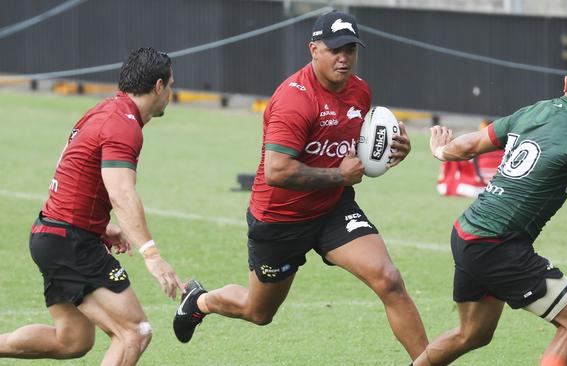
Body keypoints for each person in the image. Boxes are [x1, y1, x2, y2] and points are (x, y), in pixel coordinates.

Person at [173, 10, 428, 360]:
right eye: (335, 49)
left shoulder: (360, 92)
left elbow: (360, 146)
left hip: (331, 209)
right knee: (258, 312)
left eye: (351, 49)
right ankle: (200, 300)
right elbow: (277, 171)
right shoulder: (295, 100)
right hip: (280, 219)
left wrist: (393, 149)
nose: (344, 58)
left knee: (389, 280)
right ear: (314, 49)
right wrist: (339, 175)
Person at [415, 54, 567, 366]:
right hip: (497, 245)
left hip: (466, 232)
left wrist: (440, 149)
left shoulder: (534, 110)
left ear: (566, 83)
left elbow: (469, 145)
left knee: (472, 334)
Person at [0, 47, 184, 365]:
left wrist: (99, 226)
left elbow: (73, 171)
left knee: (72, 340)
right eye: (170, 85)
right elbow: (122, 194)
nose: (171, 93)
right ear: (157, 86)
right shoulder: (123, 126)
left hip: (52, 234)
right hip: (70, 241)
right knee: (135, 333)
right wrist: (152, 256)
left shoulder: (104, 110)